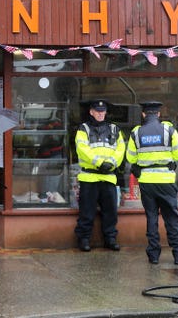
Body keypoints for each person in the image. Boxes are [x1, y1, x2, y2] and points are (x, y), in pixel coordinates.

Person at [126, 101, 178, 265]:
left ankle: (153, 256)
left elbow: (131, 158)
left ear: (143, 114)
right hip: (166, 182)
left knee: (151, 218)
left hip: (146, 183)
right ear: (158, 114)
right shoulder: (169, 130)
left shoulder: (136, 132)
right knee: (172, 218)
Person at [74, 99, 125, 252]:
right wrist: (100, 163)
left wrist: (112, 163)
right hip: (89, 177)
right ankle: (83, 239)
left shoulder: (114, 129)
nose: (100, 113)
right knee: (86, 212)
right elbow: (82, 148)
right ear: (91, 112)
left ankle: (110, 239)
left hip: (108, 176)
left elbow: (121, 148)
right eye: (97, 111)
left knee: (110, 213)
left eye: (102, 111)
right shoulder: (84, 129)